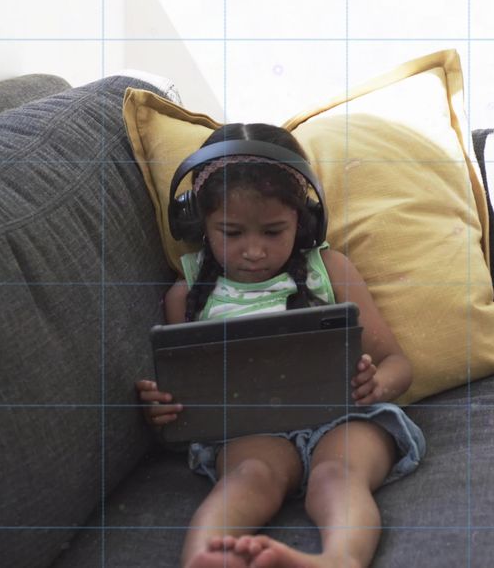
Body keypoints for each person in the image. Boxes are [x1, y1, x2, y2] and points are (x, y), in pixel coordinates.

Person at [134, 123, 425, 568]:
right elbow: (191, 407)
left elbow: (397, 363)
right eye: (231, 233)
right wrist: (166, 411)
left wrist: (378, 385)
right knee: (249, 478)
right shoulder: (187, 294)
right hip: (250, 433)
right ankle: (206, 559)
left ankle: (339, 560)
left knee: (338, 474)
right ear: (198, 223)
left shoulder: (330, 269)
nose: (254, 251)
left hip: (345, 419)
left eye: (273, 232)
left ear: (303, 221)